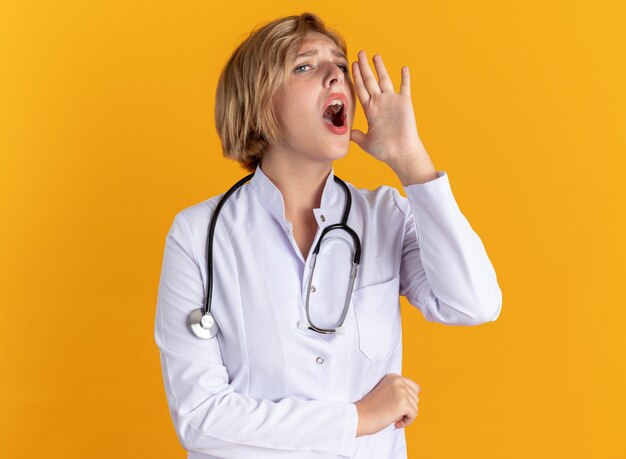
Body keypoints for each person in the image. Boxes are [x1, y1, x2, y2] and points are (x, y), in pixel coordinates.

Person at [154, 11, 502, 459]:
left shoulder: (386, 215)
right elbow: (201, 419)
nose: (335, 74)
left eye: (338, 63)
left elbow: (473, 303)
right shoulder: (198, 235)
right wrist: (358, 418)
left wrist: (410, 159)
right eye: (304, 66)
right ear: (259, 101)